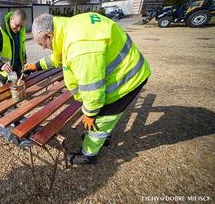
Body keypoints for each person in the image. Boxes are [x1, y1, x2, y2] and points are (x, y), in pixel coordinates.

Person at [23, 13, 151, 165]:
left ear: (49, 35)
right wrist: (35, 66)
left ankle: (89, 155)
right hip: (124, 69)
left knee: (101, 117)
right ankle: (103, 137)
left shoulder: (79, 48)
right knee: (99, 114)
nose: (42, 48)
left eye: (41, 44)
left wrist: (89, 113)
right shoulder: (67, 28)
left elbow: (93, 89)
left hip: (127, 79)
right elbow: (58, 56)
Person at [0, 9, 27, 84]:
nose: (19, 29)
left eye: (21, 26)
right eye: (17, 25)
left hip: (17, 70)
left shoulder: (21, 30)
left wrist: (24, 57)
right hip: (4, 74)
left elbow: (21, 46)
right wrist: (1, 65)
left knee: (19, 91)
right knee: (8, 93)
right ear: (11, 18)